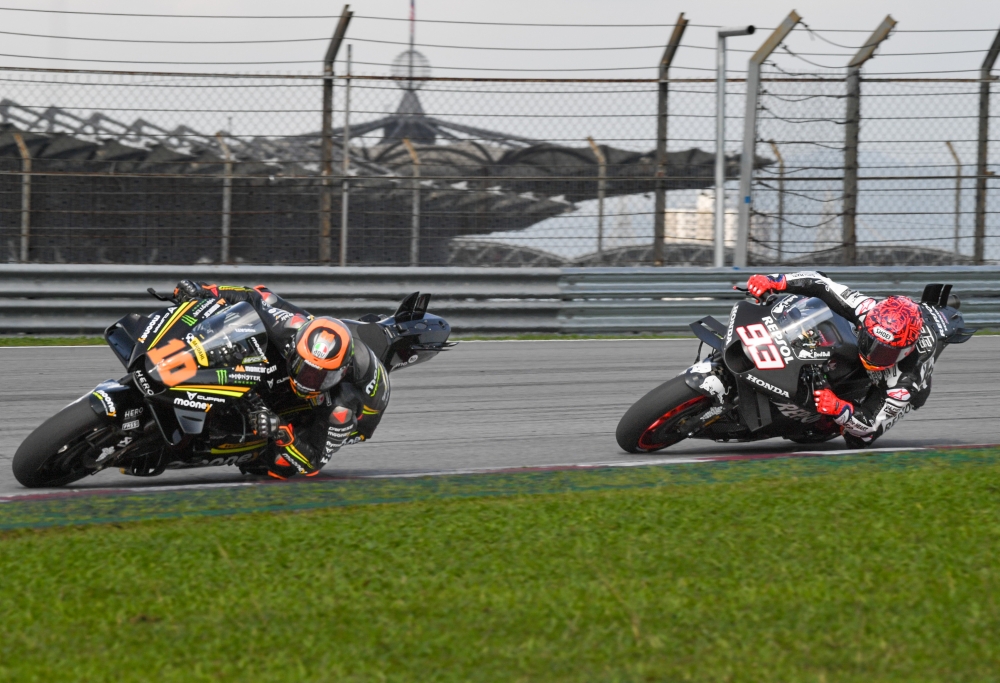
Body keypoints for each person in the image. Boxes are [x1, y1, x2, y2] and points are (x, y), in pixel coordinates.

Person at [172, 280, 390, 478]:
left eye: (321, 377)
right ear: (296, 348)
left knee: (278, 465)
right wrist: (205, 290)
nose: (308, 380)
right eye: (304, 368)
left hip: (359, 413)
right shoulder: (289, 329)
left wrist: (280, 430)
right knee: (257, 310)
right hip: (293, 350)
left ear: (340, 374)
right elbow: (254, 297)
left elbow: (313, 462)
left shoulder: (341, 407)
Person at [744, 271, 936, 447]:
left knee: (857, 439)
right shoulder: (867, 309)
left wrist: (838, 408)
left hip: (902, 386)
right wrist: (776, 281)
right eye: (870, 341)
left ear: (905, 351)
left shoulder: (905, 381)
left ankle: (823, 422)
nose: (872, 354)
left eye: (884, 352)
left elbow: (869, 425)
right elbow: (819, 282)